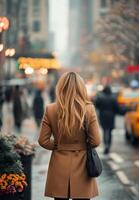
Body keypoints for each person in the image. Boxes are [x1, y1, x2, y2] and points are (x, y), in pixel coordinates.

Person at [38, 72, 101, 200]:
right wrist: (83, 144)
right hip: (83, 164)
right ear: (81, 88)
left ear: (60, 87)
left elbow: (43, 141)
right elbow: (96, 141)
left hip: (59, 163)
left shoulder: (50, 109)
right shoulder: (88, 109)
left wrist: (58, 145)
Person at [95, 85, 120, 154]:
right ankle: (108, 145)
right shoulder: (113, 98)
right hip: (111, 116)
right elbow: (117, 108)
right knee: (109, 131)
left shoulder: (100, 97)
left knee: (105, 130)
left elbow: (96, 105)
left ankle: (106, 144)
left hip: (103, 115)